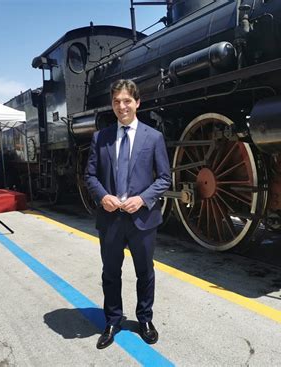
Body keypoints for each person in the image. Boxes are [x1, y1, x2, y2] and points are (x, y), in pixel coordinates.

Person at [85, 79, 171, 349]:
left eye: (126, 101)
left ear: (137, 103)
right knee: (110, 273)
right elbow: (89, 175)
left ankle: (144, 319)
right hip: (110, 218)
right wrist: (103, 196)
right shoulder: (101, 138)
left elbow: (164, 178)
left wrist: (143, 199)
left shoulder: (153, 137)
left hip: (141, 219)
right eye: (116, 102)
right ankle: (112, 320)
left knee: (145, 272)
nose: (121, 106)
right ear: (112, 105)